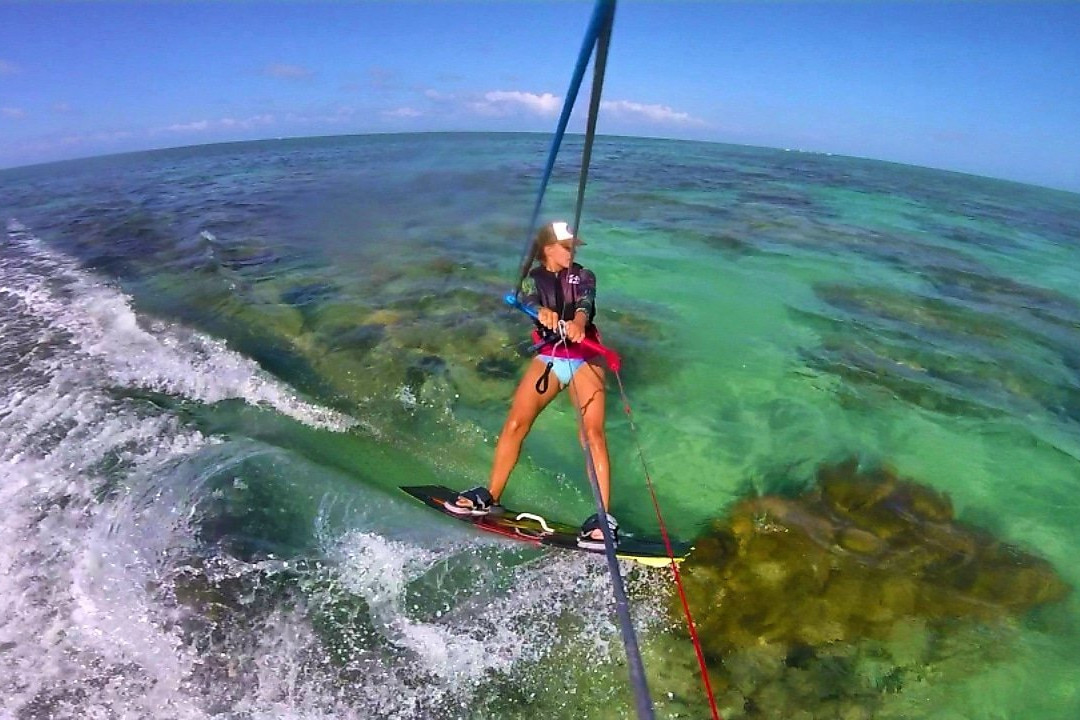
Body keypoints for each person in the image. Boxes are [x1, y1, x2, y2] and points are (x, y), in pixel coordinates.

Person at [445, 220, 618, 549]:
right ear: (545, 249)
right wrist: (540, 311)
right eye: (566, 246)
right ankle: (491, 496)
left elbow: (585, 303)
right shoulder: (530, 276)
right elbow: (524, 296)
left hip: (585, 360)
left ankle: (601, 518)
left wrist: (579, 322)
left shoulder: (584, 275)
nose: (573, 252)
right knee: (515, 423)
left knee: (592, 433)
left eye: (574, 247)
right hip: (551, 358)